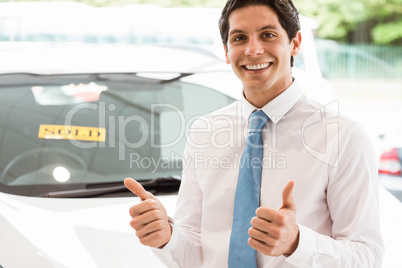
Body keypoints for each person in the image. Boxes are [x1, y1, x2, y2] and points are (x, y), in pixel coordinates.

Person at [124, 0, 384, 267]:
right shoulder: (205, 132)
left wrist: (297, 243)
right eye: (239, 38)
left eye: (268, 35)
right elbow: (195, 252)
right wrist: (167, 238)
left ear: (295, 43)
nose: (253, 49)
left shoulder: (343, 136)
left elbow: (367, 256)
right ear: (226, 51)